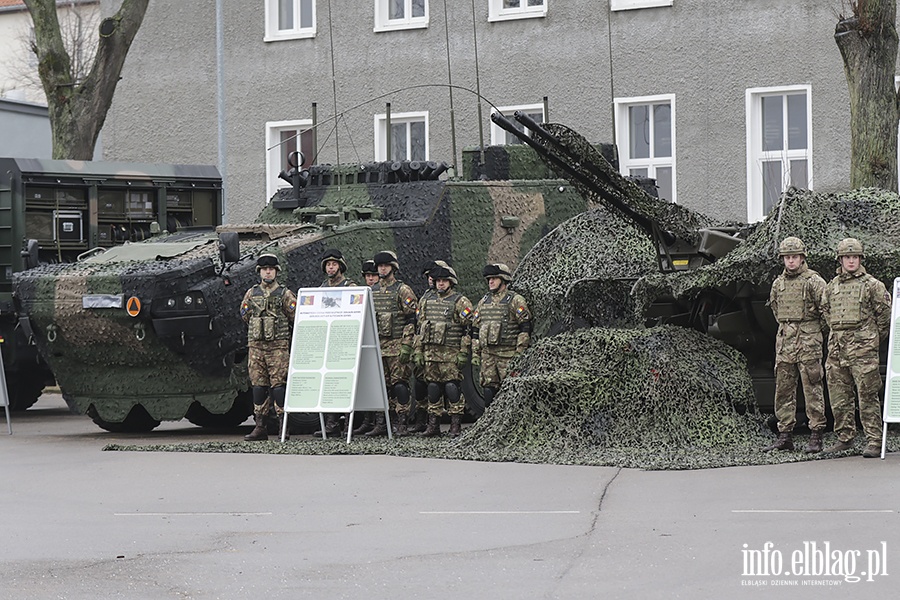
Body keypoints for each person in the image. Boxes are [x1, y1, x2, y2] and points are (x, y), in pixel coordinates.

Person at [821, 238, 892, 458]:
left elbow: (885, 316)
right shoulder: (831, 286)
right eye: (847, 257)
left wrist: (869, 339)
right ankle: (845, 438)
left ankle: (874, 440)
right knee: (839, 396)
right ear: (840, 260)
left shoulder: (873, 285)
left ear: (860, 259)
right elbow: (826, 312)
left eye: (855, 257)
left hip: (862, 351)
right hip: (836, 350)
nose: (851, 261)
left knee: (868, 395)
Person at [764, 237, 827, 453]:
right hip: (785, 343)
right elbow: (775, 310)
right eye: (787, 257)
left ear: (802, 258)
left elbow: (826, 312)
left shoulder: (814, 282)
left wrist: (812, 331)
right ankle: (785, 435)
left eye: (795, 257)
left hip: (808, 342)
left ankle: (816, 435)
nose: (791, 261)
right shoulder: (778, 284)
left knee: (812, 388)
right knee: (783, 389)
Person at [240, 253, 297, 441]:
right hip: (256, 348)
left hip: (278, 348)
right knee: (258, 387)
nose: (268, 272)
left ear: (276, 272)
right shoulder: (252, 293)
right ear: (260, 272)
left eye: (271, 269)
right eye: (265, 269)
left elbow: (294, 316)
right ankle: (260, 426)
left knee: (279, 387)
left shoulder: (284, 293)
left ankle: (283, 427)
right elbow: (245, 314)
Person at [414, 264, 474, 437]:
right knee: (432, 388)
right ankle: (433, 426)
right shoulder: (426, 300)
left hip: (451, 354)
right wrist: (418, 350)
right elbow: (420, 329)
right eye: (438, 281)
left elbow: (468, 329)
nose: (440, 284)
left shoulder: (460, 301)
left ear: (451, 282)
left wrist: (464, 351)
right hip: (431, 354)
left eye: (444, 281)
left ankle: (456, 425)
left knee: (451, 388)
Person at [366, 250, 418, 436]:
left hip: (396, 344)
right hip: (377, 346)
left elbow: (411, 318)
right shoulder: (371, 291)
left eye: (385, 266)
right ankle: (381, 423)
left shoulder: (403, 290)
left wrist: (407, 344)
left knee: (399, 385)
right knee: (380, 385)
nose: (382, 269)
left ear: (393, 267)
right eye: (380, 266)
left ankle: (402, 422)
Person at [471, 263, 532, 410]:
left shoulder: (515, 300)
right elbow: (475, 328)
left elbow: (525, 327)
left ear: (503, 280)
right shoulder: (483, 302)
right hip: (488, 356)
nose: (490, 281)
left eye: (494, 278)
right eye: (489, 279)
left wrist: (520, 353)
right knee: (488, 389)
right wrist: (475, 352)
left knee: (511, 391)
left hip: (508, 355)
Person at [316, 249, 357, 437]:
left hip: (346, 340)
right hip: (328, 342)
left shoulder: (351, 286)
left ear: (340, 266)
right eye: (328, 264)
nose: (330, 267)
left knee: (347, 384)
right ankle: (331, 425)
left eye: (333, 264)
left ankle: (349, 425)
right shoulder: (322, 288)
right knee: (329, 384)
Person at [409, 260, 450, 433]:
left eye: (434, 277)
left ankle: (439, 422)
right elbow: (419, 325)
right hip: (425, 348)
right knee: (421, 385)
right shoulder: (426, 297)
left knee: (442, 386)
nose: (432, 280)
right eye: (429, 277)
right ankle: (421, 420)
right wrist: (416, 348)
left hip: (445, 351)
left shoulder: (453, 299)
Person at [350, 259, 381, 436]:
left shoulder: (383, 293)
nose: (371, 279)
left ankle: (382, 423)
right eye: (368, 276)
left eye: (373, 275)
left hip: (386, 344)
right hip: (364, 344)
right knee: (367, 384)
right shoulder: (360, 294)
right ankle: (368, 422)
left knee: (386, 385)